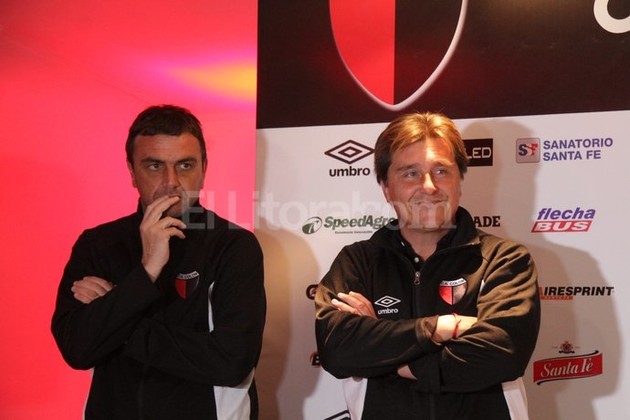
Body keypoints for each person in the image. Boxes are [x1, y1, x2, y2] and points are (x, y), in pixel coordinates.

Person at [314, 112, 540, 419]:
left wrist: (390, 357)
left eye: (441, 171)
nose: (429, 186)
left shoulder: (504, 259)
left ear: (460, 181)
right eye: (411, 173)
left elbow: (502, 354)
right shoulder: (358, 262)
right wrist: (439, 328)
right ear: (386, 187)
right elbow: (338, 350)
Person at [51, 104, 266, 420]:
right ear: (131, 171)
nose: (171, 181)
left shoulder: (234, 246)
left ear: (204, 169)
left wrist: (117, 319)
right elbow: (77, 349)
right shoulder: (97, 243)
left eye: (185, 165)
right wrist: (147, 271)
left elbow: (231, 362)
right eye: (154, 166)